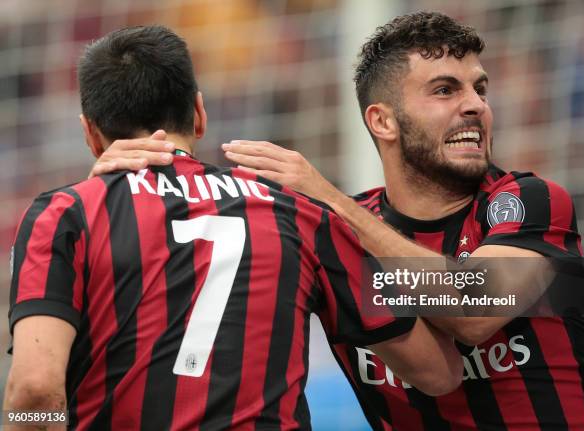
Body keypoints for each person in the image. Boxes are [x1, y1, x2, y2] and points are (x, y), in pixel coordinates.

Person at [96, 12, 584, 430]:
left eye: (480, 89)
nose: (475, 106)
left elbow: (473, 312)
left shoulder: (531, 200)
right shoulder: (326, 231)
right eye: (445, 90)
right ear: (382, 121)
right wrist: (114, 190)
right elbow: (440, 375)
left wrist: (330, 202)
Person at [4, 25, 463, 431]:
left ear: (90, 133)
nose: (475, 103)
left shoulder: (65, 214)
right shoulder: (300, 213)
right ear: (199, 114)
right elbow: (438, 373)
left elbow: (34, 393)